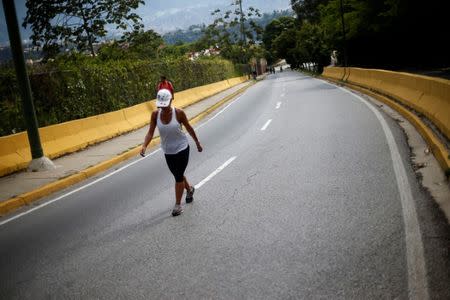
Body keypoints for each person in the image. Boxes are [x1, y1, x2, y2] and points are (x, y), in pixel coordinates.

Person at [140, 89, 203, 216]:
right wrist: (144, 146)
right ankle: (190, 189)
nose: (163, 108)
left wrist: (197, 142)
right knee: (177, 175)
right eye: (160, 105)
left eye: (165, 104)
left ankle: (177, 205)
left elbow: (189, 128)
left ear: (171, 101)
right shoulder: (154, 115)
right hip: (168, 151)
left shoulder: (179, 113)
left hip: (182, 148)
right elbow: (150, 132)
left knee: (178, 175)